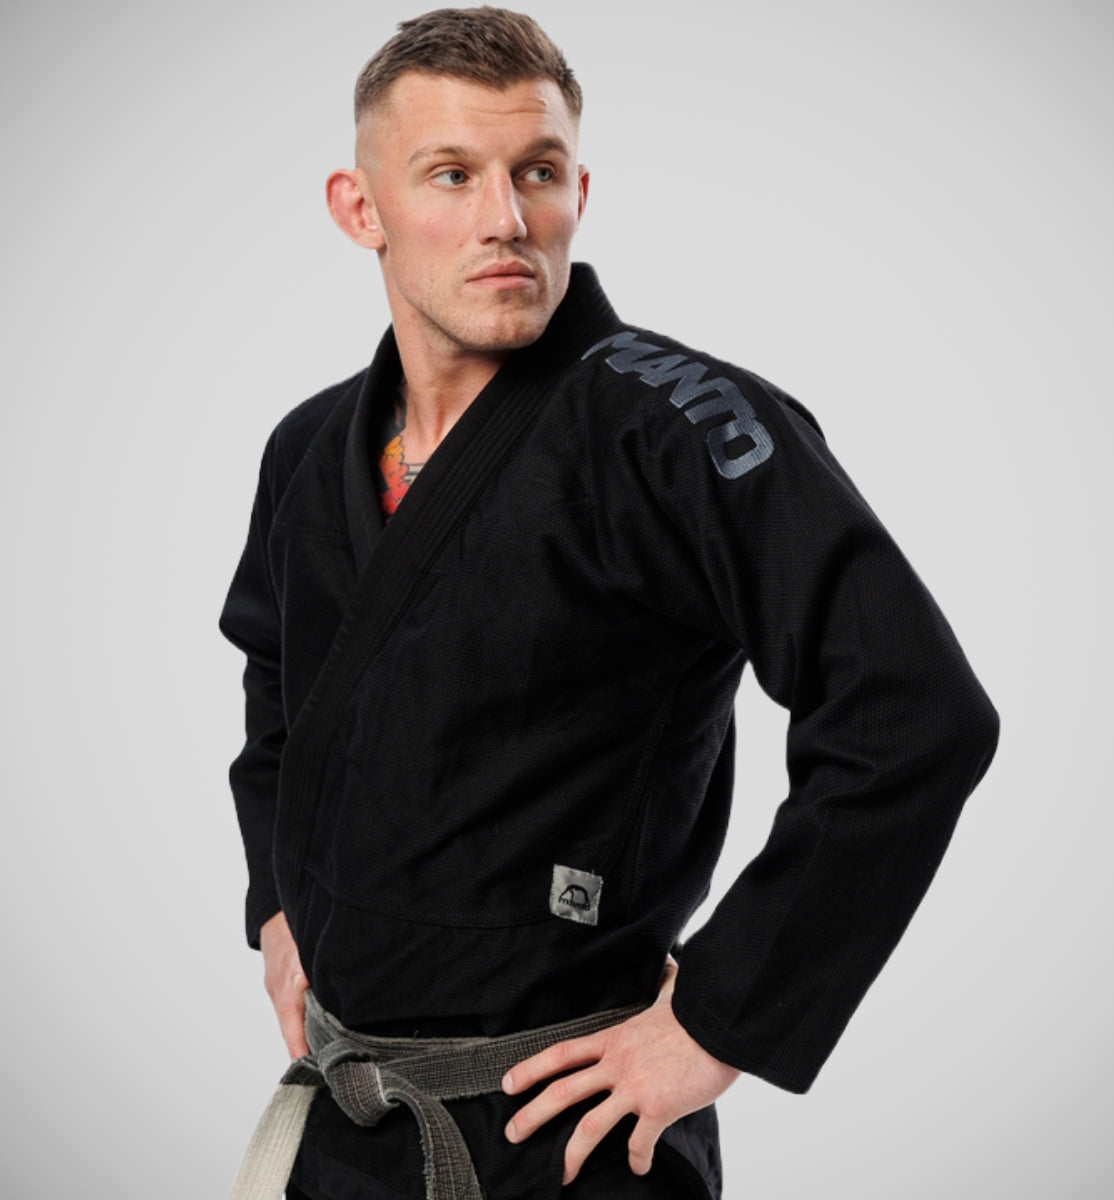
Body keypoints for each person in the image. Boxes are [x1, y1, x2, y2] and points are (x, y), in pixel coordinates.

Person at [220, 8, 999, 1199]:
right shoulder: (312, 446)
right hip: (349, 1114)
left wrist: (721, 1021)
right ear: (360, 208)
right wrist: (277, 905)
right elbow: (278, 675)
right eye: (451, 174)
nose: (506, 218)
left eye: (538, 172)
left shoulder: (682, 429)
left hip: (579, 1133)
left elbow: (913, 712)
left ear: (578, 189)